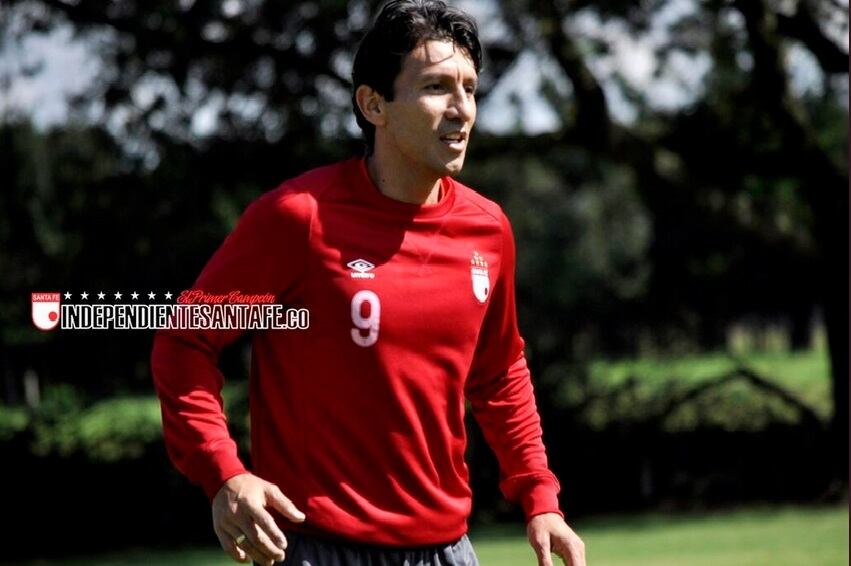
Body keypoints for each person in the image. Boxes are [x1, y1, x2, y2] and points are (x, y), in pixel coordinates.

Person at [151, 1, 586, 565]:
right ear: (373, 104)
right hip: (315, 547)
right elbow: (185, 340)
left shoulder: (488, 229)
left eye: (470, 89)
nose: (461, 110)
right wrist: (225, 473)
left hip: (448, 551)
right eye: (435, 87)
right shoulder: (299, 218)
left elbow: (498, 371)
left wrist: (539, 497)